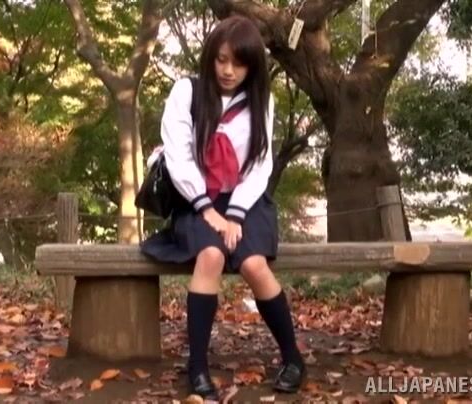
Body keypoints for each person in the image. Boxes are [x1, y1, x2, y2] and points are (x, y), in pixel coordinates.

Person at [140, 15, 306, 400]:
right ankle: (197, 368)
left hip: (245, 197)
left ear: (252, 66)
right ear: (210, 57)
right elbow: (178, 157)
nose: (229, 71)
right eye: (222, 60)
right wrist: (207, 209)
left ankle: (293, 358)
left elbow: (260, 164)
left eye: (239, 63)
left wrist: (235, 214)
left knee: (254, 264)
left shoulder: (261, 101)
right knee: (211, 255)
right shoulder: (187, 92)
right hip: (195, 196)